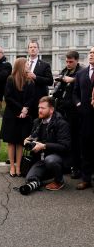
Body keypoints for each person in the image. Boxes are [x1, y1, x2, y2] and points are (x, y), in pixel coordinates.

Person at [23, 96, 70, 192]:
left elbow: (65, 146)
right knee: (29, 179)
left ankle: (59, 181)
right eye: (39, 108)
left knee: (50, 160)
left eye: (43, 108)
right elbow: (33, 136)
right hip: (41, 159)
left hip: (58, 158)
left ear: (51, 110)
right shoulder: (37, 121)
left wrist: (44, 146)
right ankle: (48, 176)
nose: (39, 110)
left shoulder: (61, 123)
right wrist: (28, 140)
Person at [1, 58, 35, 177]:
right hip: (12, 114)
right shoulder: (10, 79)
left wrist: (26, 109)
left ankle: (19, 167)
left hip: (24, 115)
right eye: (26, 63)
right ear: (21, 66)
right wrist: (21, 109)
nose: (28, 65)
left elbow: (31, 98)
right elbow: (8, 97)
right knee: (11, 142)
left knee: (21, 142)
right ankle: (12, 167)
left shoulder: (30, 80)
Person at [53, 51, 84, 179]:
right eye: (67, 61)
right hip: (62, 109)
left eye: (71, 61)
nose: (68, 64)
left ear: (77, 60)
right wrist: (59, 82)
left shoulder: (82, 71)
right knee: (63, 138)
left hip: (74, 111)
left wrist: (73, 80)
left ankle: (76, 167)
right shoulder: (65, 70)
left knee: (75, 140)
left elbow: (85, 83)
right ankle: (66, 165)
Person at [73, 46, 94, 190]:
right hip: (85, 117)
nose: (91, 55)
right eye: (91, 52)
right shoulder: (81, 73)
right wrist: (79, 105)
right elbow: (75, 93)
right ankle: (86, 179)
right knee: (86, 148)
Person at [26, 41, 53, 119]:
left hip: (38, 100)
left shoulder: (45, 65)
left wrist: (36, 77)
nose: (33, 49)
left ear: (38, 50)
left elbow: (50, 81)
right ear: (28, 50)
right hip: (25, 99)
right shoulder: (23, 63)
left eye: (35, 47)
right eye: (31, 47)